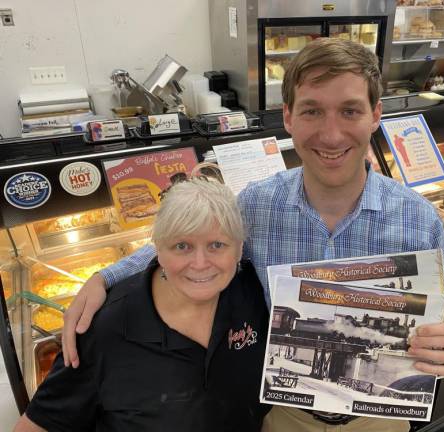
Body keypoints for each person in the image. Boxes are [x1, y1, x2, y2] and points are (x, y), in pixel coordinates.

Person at [62, 38, 444, 432]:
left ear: (375, 115)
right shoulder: (257, 206)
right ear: (289, 117)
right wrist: (107, 277)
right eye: (312, 112)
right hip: (280, 417)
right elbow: (195, 243)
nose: (331, 135)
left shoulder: (418, 219)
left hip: (379, 419)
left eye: (350, 111)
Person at [14, 178, 270, 432]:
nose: (200, 263)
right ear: (158, 249)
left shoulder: (255, 295)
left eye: (217, 245)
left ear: (239, 249)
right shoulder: (105, 328)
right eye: (182, 246)